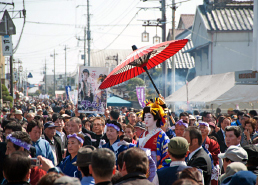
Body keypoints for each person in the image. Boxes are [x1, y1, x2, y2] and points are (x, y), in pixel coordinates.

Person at [137, 98, 170, 170]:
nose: (146, 119)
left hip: (155, 170)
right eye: (145, 117)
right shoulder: (142, 134)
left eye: (149, 117)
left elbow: (167, 156)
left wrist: (161, 171)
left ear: (156, 118)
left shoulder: (162, 136)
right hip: (142, 168)